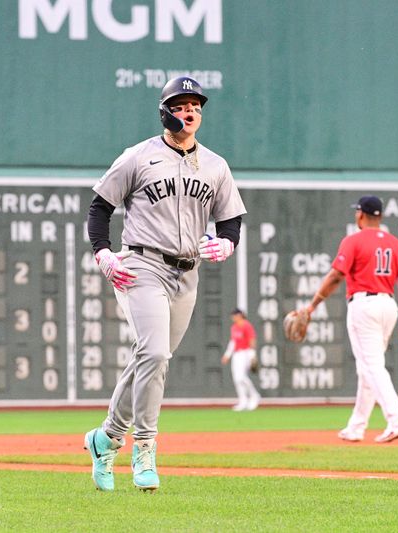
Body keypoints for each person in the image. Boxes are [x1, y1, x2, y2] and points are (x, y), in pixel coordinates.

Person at [83, 76, 247, 491]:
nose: (190, 111)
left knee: (151, 359)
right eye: (180, 104)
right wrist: (102, 252)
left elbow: (230, 220)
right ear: (164, 112)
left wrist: (227, 243)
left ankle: (105, 439)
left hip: (186, 272)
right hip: (141, 265)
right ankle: (144, 450)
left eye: (195, 105)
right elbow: (100, 207)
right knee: (154, 353)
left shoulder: (215, 165)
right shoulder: (138, 157)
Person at [302, 195, 398, 443]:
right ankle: (356, 426)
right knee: (367, 369)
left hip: (364, 306)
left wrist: (313, 305)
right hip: (389, 305)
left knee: (372, 366)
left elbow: (335, 276)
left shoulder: (353, 240)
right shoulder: (397, 245)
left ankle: (396, 420)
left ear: (361, 215)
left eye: (357, 212)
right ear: (380, 216)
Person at [221, 308, 261, 411]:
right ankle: (243, 401)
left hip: (246, 353)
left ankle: (254, 396)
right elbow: (233, 342)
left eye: (234, 315)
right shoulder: (234, 327)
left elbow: (252, 340)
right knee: (236, 379)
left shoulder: (246, 325)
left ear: (239, 315)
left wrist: (252, 355)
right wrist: (227, 355)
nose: (233, 317)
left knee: (241, 377)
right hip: (236, 354)